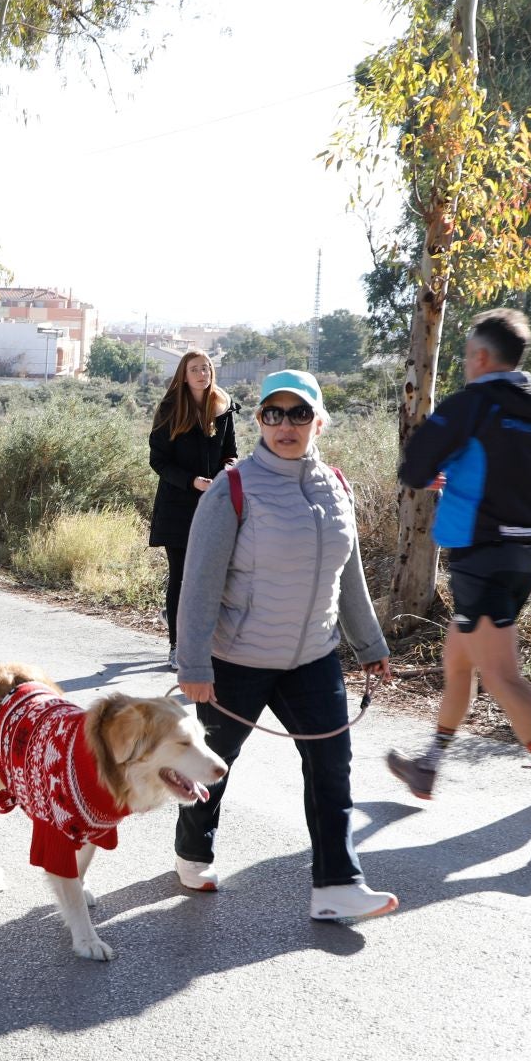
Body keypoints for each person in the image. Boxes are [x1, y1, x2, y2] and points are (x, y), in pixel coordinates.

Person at [173, 370, 398, 921]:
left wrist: (369, 642)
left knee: (331, 765)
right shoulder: (234, 488)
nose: (285, 425)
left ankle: (337, 886)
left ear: (319, 421)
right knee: (213, 763)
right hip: (236, 660)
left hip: (313, 659)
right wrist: (194, 664)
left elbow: (349, 575)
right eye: (273, 414)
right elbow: (198, 582)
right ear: (259, 422)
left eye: (299, 414)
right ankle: (192, 850)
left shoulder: (336, 486)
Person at [384, 309, 531, 852]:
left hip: (479, 557)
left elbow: (414, 468)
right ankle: (429, 765)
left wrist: (452, 479)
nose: (465, 365)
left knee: (503, 675)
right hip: (521, 555)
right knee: (460, 659)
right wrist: (517, 518)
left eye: (465, 357)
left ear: (481, 358)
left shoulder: (474, 404)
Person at [148, 351, 238, 670]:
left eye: (206, 368)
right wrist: (191, 482)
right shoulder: (170, 409)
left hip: (215, 506)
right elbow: (158, 460)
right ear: (184, 376)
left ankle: (207, 638)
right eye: (195, 369)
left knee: (214, 576)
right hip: (177, 506)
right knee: (182, 576)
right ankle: (176, 645)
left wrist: (226, 473)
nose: (202, 373)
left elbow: (231, 454)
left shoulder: (224, 409)